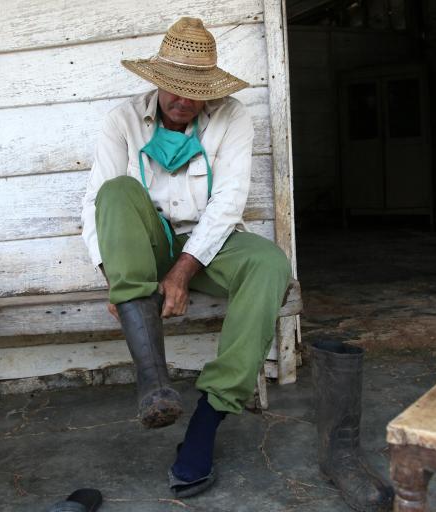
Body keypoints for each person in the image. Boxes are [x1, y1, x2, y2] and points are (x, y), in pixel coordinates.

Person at [80, 17, 291, 497]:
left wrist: (182, 270)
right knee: (115, 191)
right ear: (156, 80)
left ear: (208, 90)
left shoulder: (232, 116)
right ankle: (154, 386)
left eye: (194, 90)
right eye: (173, 88)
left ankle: (208, 419)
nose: (182, 100)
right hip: (145, 245)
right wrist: (114, 277)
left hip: (207, 244)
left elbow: (229, 201)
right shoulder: (124, 120)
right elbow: (96, 206)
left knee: (270, 264)